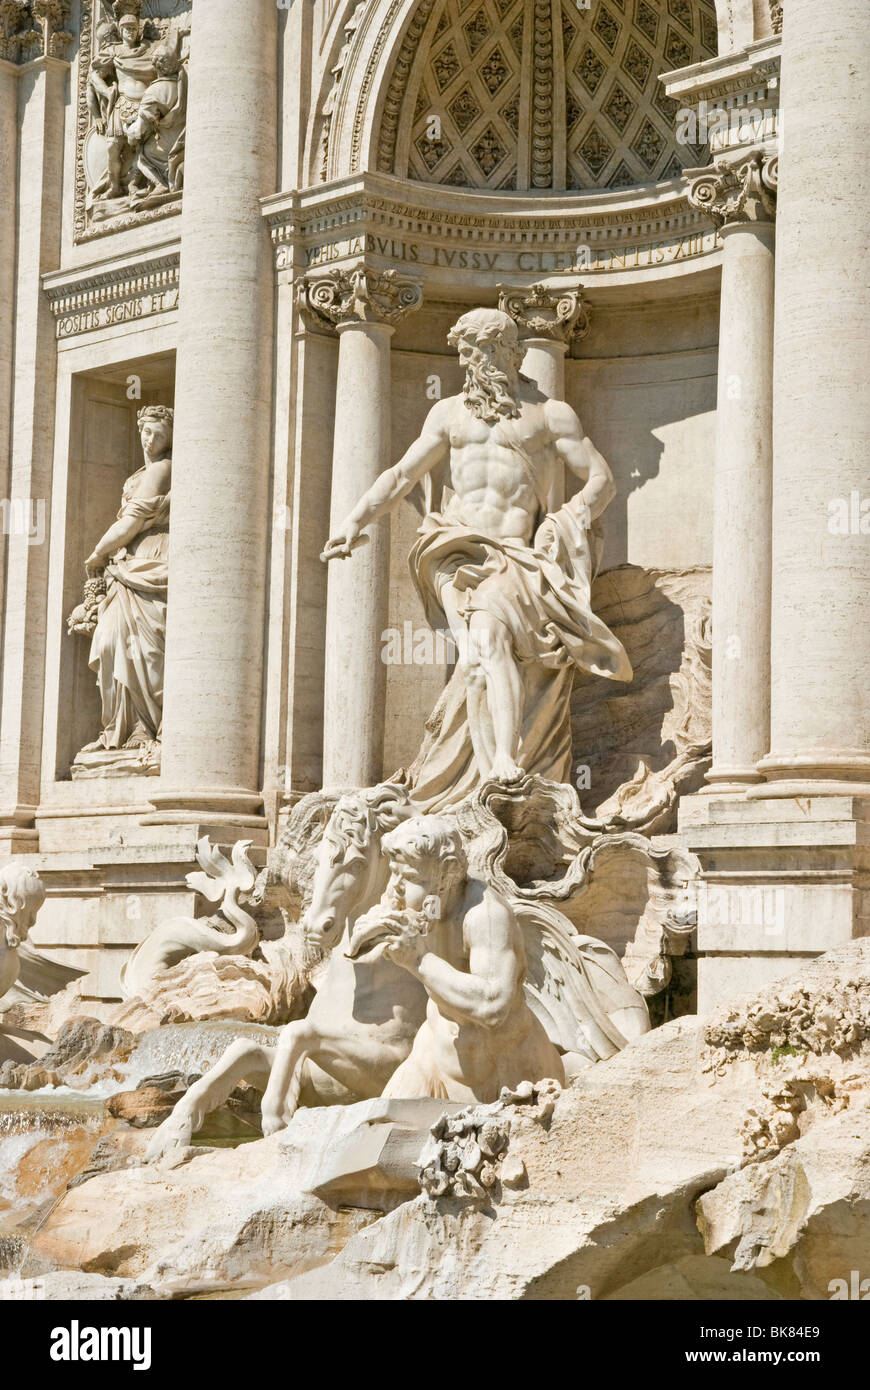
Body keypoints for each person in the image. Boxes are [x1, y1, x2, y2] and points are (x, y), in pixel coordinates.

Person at [321, 307, 631, 809]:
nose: (472, 363)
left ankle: (495, 768)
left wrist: (566, 518)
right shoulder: (447, 414)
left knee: (477, 659)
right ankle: (500, 765)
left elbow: (602, 480)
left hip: (514, 555)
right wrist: (354, 522)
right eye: (465, 354)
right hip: (453, 548)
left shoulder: (550, 414)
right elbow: (402, 476)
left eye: (482, 352)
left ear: (510, 351)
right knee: (481, 649)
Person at [348, 815, 565, 1103]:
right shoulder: (424, 900)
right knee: (381, 1121)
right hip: (435, 1050)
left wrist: (418, 960)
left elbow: (493, 1005)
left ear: (447, 873)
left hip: (506, 1070)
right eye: (394, 873)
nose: (396, 887)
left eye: (410, 877)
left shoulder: (485, 915)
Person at [74, 405, 172, 757]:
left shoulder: (163, 470)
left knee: (147, 649)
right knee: (111, 642)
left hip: (151, 559)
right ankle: (120, 727)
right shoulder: (136, 475)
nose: (149, 440)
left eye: (158, 434)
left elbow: (132, 521)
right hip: (126, 565)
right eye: (145, 432)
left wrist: (98, 553)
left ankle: (147, 727)